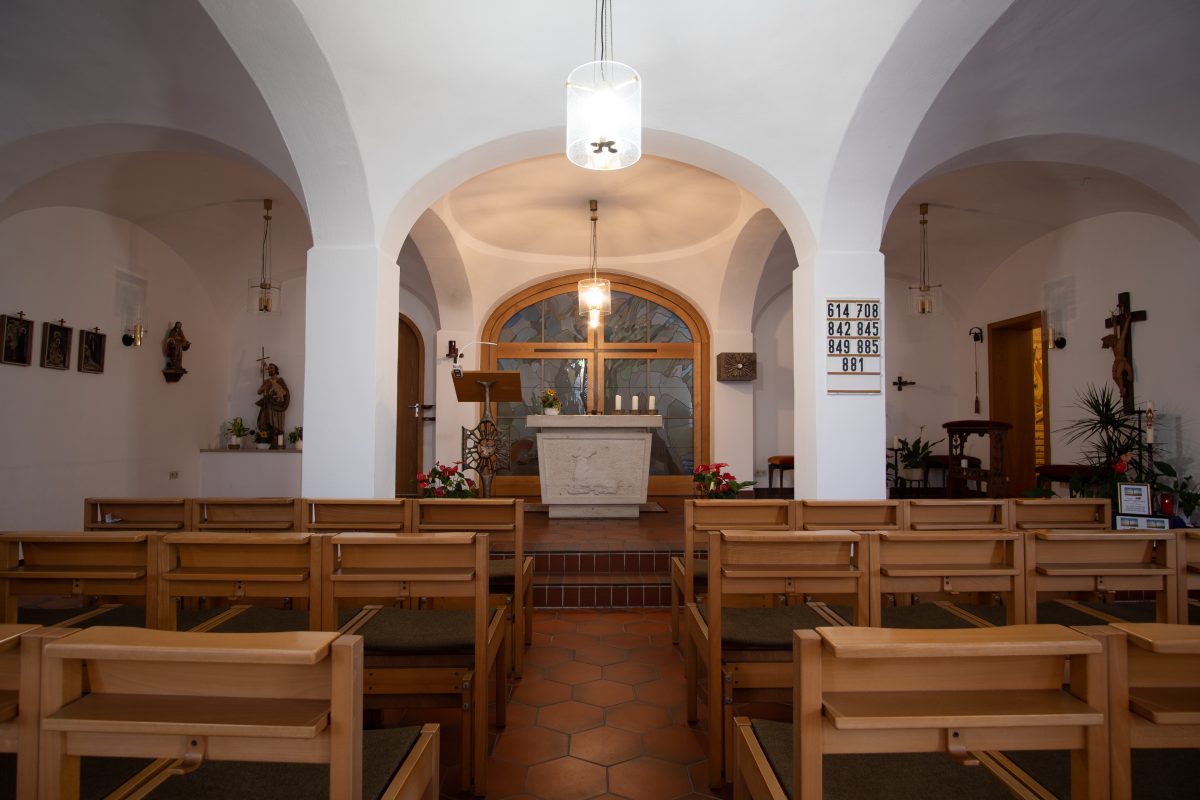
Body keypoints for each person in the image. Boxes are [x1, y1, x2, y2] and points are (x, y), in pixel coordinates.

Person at [256, 363, 291, 440]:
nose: (269, 370)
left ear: (276, 370)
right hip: (267, 404)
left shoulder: (280, 380)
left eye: (271, 368)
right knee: (263, 421)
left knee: (275, 423)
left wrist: (277, 391)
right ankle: (265, 439)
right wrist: (265, 386)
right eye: (269, 368)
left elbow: (285, 392)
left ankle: (275, 439)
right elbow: (259, 392)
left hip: (276, 406)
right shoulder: (266, 381)